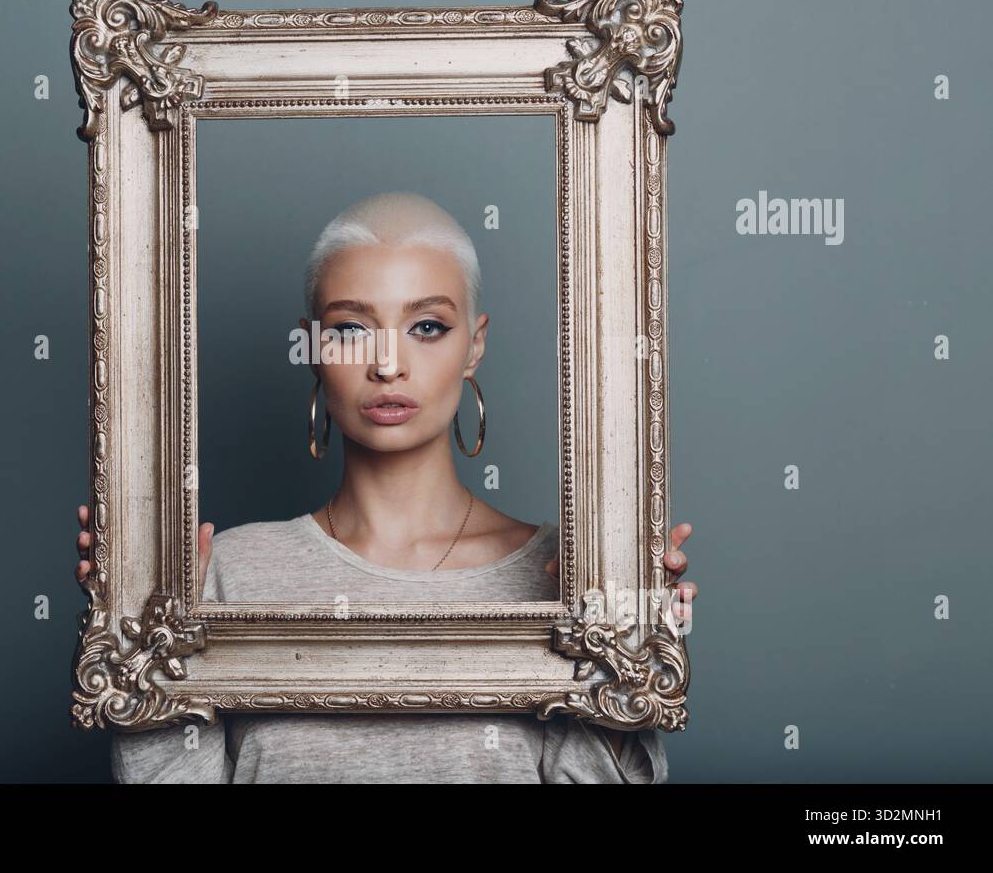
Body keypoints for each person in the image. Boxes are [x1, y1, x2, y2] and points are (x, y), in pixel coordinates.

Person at [74, 192, 697, 782]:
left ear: (474, 345)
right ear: (312, 344)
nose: (388, 364)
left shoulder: (568, 571)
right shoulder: (227, 572)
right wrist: (132, 624)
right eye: (350, 329)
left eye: (427, 326)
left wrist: (628, 655)